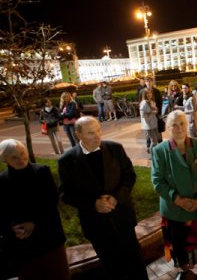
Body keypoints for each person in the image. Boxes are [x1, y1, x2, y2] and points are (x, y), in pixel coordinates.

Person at [58, 116, 148, 280]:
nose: (98, 135)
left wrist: (116, 197)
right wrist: (94, 204)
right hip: (95, 224)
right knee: (112, 267)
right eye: (91, 133)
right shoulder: (67, 160)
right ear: (78, 135)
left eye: (99, 130)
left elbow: (129, 175)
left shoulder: (115, 148)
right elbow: (66, 193)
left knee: (136, 264)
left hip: (122, 219)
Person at [151, 110, 197, 279]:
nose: (179, 127)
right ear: (167, 127)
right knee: (181, 245)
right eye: (174, 124)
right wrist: (178, 199)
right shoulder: (159, 151)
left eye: (182, 123)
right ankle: (185, 270)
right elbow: (157, 181)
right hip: (176, 211)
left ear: (187, 124)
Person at [0, 139, 70, 280]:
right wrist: (12, 228)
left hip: (49, 239)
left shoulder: (41, 171)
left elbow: (51, 202)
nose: (21, 158)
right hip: (23, 245)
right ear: (4, 159)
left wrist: (34, 223)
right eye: (14, 157)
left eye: (22, 153)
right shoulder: (2, 180)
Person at [140, 88, 159, 155]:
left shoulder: (152, 101)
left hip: (153, 122)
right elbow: (142, 115)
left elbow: (155, 110)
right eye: (147, 93)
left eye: (150, 93)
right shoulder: (144, 103)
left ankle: (155, 153)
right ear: (144, 95)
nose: (149, 94)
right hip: (148, 125)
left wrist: (155, 110)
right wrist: (152, 112)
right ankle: (152, 155)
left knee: (156, 140)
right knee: (154, 141)